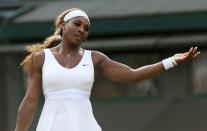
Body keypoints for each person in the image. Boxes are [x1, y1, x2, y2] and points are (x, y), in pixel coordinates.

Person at [14, 8, 200, 131]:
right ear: (63, 25)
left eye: (86, 28)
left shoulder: (95, 58)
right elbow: (30, 101)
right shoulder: (41, 58)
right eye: (77, 24)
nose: (82, 30)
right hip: (51, 125)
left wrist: (171, 61)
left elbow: (132, 76)